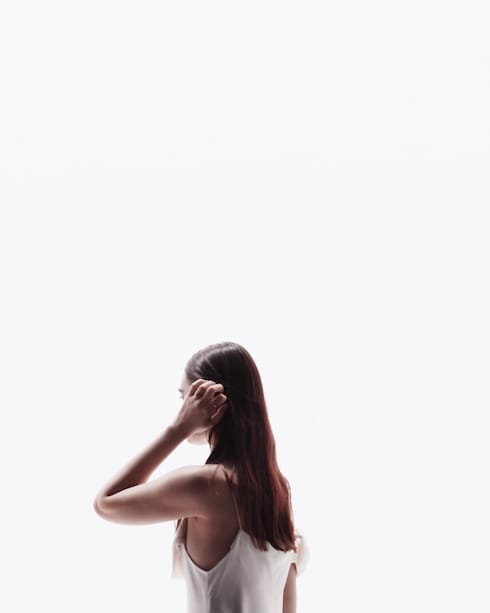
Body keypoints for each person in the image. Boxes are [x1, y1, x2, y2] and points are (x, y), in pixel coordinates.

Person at [94, 341, 309, 612]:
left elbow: (105, 503)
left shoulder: (207, 485)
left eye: (185, 398)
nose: (182, 408)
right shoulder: (277, 490)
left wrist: (179, 428)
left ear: (210, 402)